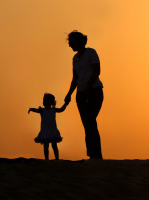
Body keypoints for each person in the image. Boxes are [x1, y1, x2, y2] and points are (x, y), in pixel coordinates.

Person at [64, 31, 104, 159]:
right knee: (87, 124)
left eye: (71, 42)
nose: (69, 45)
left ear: (77, 41)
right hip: (80, 94)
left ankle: (96, 155)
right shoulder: (75, 59)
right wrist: (69, 94)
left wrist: (88, 87)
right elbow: (75, 78)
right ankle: (93, 154)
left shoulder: (91, 53)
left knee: (90, 121)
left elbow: (97, 71)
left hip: (94, 91)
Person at [28, 93, 68, 160]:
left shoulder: (53, 110)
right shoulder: (42, 110)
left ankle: (57, 159)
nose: (45, 102)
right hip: (45, 131)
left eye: (47, 100)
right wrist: (31, 109)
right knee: (46, 145)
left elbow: (61, 109)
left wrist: (66, 104)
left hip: (53, 130)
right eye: (44, 100)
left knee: (54, 145)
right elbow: (36, 110)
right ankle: (46, 159)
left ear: (52, 102)